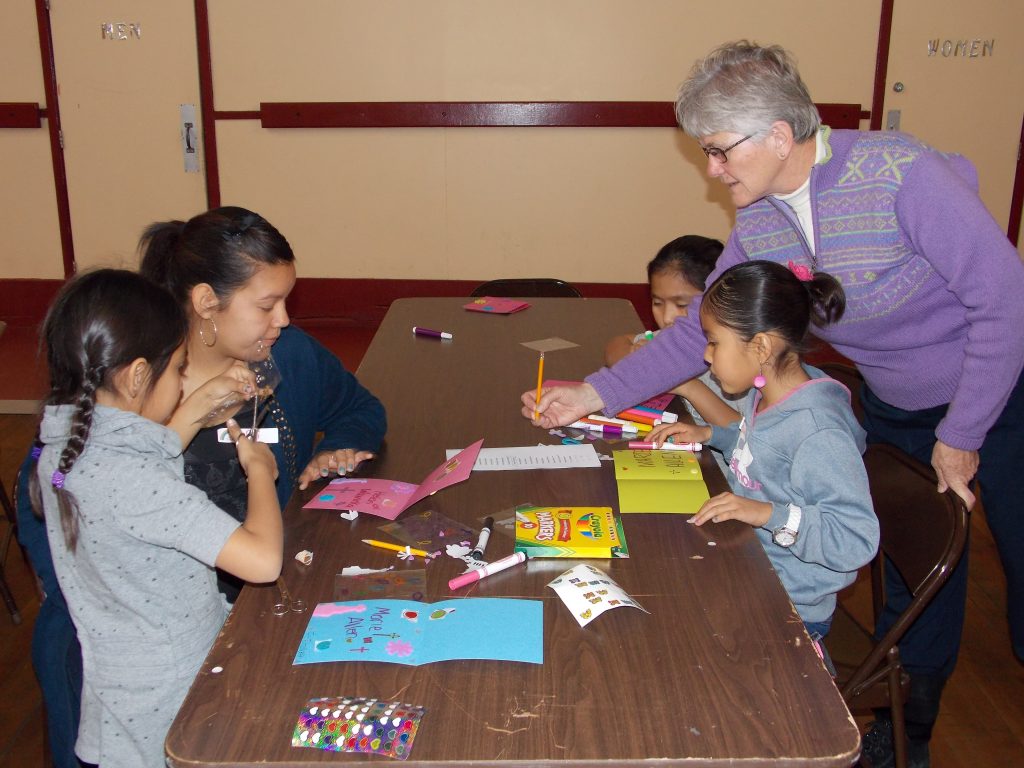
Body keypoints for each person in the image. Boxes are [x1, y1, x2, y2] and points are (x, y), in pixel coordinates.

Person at [522, 41, 1024, 768]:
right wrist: (591, 394)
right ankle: (905, 731)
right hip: (897, 404)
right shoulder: (763, 221)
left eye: (720, 151)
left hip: (996, 392)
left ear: (780, 136)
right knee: (919, 578)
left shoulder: (901, 173)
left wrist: (965, 430)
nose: (713, 170)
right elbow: (701, 329)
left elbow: (1005, 302)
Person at [30, 269, 283, 768]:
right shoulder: (131, 483)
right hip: (175, 697)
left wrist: (194, 407)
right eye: (179, 369)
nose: (186, 378)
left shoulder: (64, 451)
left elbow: (143, 456)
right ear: (138, 376)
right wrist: (259, 473)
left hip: (124, 688)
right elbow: (262, 560)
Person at [139, 205, 388, 600]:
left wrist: (334, 450)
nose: (284, 319)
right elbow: (69, 483)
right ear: (206, 302)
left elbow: (361, 409)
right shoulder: (136, 384)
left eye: (285, 301)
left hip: (279, 583)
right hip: (173, 607)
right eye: (266, 306)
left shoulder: (289, 354)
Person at [645, 260, 877, 658]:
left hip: (788, 608)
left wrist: (766, 513)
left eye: (714, 341)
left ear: (762, 347)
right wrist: (713, 434)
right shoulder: (766, 392)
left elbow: (856, 539)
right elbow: (764, 455)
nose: (706, 354)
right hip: (746, 566)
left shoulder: (818, 432)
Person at [604, 235, 739, 472]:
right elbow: (617, 344)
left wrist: (687, 385)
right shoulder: (672, 342)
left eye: (682, 305)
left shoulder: (739, 358)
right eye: (658, 303)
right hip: (674, 459)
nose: (667, 318)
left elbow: (744, 434)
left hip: (721, 474)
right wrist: (635, 358)